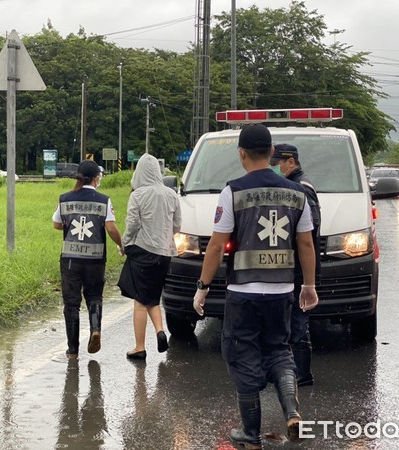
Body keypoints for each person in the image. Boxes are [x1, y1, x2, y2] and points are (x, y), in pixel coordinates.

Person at [193, 124, 318, 447]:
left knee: (242, 352)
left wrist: (203, 286)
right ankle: (291, 409)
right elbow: (306, 245)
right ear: (273, 154)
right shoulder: (297, 192)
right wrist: (309, 286)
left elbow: (217, 247)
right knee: (279, 350)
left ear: (241, 154)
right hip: (281, 293)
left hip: (243, 294)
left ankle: (250, 432)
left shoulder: (232, 191)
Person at [52, 160, 123, 359]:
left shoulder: (65, 198)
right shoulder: (104, 200)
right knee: (94, 297)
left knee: (71, 304)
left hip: (70, 260)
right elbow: (110, 228)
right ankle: (95, 330)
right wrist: (121, 244)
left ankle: (72, 351)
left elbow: (57, 225)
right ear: (95, 178)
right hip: (95, 260)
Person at [118, 153, 181, 360]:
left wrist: (125, 243)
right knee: (152, 297)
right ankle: (160, 331)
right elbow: (177, 225)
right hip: (165, 254)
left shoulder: (138, 195)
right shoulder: (171, 194)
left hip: (143, 251)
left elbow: (133, 225)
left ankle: (139, 347)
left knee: (139, 300)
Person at [270, 143, 321, 387]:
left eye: (277, 163)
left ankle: (302, 375)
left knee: (298, 321)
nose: (275, 168)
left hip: (300, 267)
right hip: (294, 265)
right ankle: (296, 372)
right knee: (293, 320)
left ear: (291, 162)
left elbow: (307, 233)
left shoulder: (301, 188)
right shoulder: (296, 185)